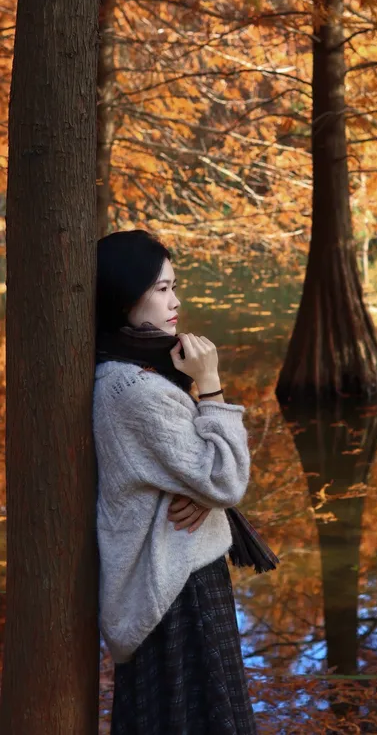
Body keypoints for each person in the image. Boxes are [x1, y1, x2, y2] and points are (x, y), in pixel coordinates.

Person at [93, 229, 257, 734]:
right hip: (174, 591)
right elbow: (225, 479)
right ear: (125, 296)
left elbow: (205, 479)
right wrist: (211, 385)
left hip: (175, 576)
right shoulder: (135, 389)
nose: (176, 301)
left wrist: (202, 492)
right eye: (162, 288)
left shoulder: (128, 367)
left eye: (174, 286)